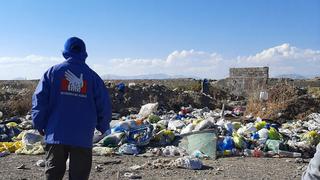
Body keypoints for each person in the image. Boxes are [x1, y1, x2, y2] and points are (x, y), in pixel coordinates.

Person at [31, 37, 112, 180]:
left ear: (65, 52)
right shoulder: (93, 77)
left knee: (53, 174)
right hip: (82, 136)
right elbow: (103, 104)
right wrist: (103, 125)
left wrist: (39, 123)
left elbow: (39, 100)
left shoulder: (52, 73)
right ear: (85, 53)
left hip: (56, 134)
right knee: (79, 176)